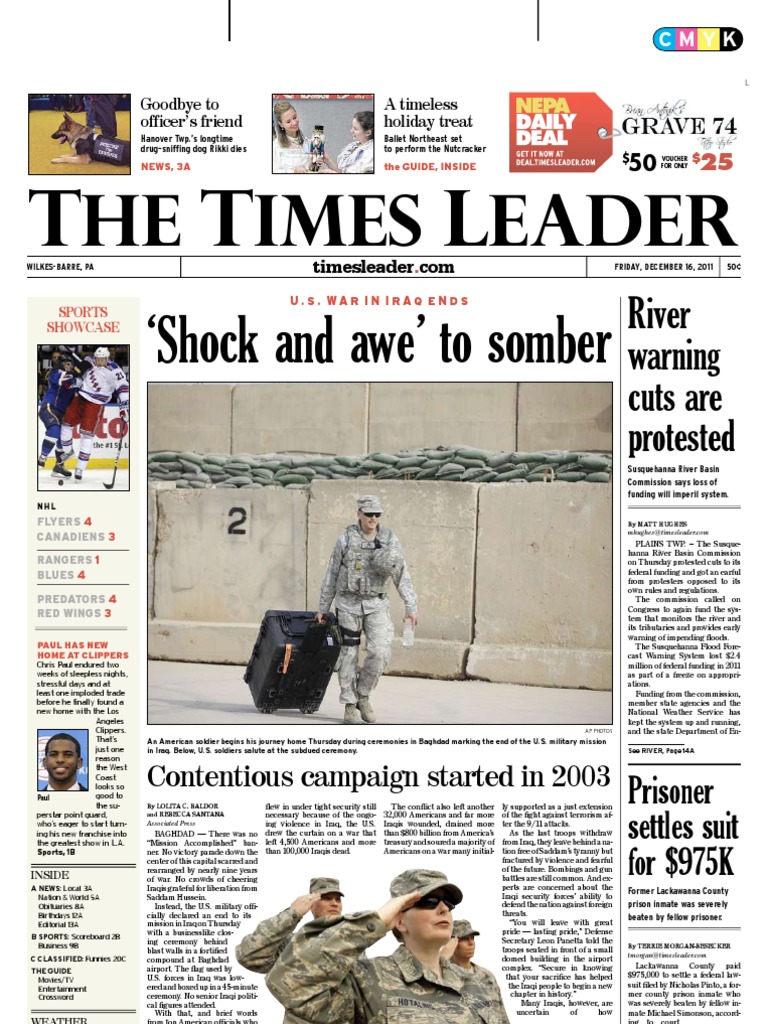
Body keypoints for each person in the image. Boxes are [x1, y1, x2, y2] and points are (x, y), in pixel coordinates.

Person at [267, 868, 510, 1024]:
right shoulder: (367, 979)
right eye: (429, 901)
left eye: (448, 903)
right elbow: (290, 984)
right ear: (399, 919)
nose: (443, 908)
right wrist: (376, 921)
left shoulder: (480, 982)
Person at [316, 494, 417, 724]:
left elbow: (401, 573)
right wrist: (323, 607)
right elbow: (331, 573)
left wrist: (411, 606)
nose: (373, 518)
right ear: (359, 513)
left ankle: (363, 694)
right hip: (348, 604)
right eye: (368, 513)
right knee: (348, 654)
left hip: (377, 604)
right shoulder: (346, 538)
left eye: (377, 514)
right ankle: (350, 704)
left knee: (380, 651)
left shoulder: (388, 538)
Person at [236, 877, 344, 974]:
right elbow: (249, 956)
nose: (334, 903)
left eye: (338, 899)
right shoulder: (295, 942)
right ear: (312, 904)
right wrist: (293, 914)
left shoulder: (357, 936)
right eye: (327, 898)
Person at [59, 346, 129, 482]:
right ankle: (68, 452)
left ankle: (80, 469)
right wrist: (73, 382)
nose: (99, 361)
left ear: (107, 358)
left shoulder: (115, 371)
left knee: (87, 436)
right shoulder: (89, 361)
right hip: (80, 398)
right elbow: (82, 378)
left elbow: (123, 389)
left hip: (95, 404)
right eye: (97, 358)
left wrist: (123, 407)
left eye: (102, 359)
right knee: (65, 424)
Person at [37, 349, 86, 478]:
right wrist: (79, 371)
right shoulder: (55, 372)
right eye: (65, 363)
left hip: (63, 413)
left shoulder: (77, 377)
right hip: (49, 407)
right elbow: (67, 381)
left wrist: (88, 370)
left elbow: (83, 385)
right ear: (61, 364)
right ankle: (41, 459)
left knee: (62, 441)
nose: (68, 366)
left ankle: (58, 467)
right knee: (54, 431)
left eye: (70, 364)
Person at [450, 919, 508, 1011]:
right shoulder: (443, 976)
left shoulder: (487, 976)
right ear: (451, 942)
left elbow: (501, 1014)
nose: (471, 943)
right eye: (464, 939)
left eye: (472, 938)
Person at [272, 100, 310, 173]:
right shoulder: (276, 146)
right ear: (281, 124)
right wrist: (292, 171)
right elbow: (274, 171)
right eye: (288, 121)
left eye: (295, 117)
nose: (294, 122)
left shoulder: (307, 143)